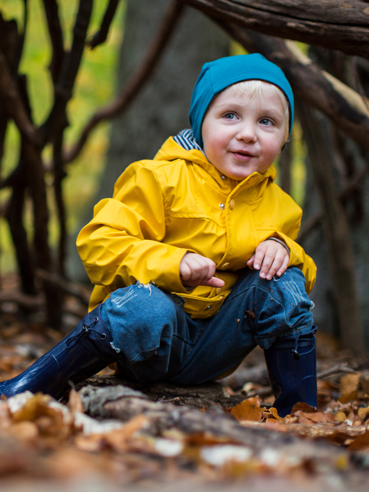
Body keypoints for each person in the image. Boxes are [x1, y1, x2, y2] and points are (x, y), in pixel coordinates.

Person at [0, 54, 317, 416]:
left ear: (285, 138)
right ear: (201, 122)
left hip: (218, 345)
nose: (247, 133)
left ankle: (301, 412)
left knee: (283, 279)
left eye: (267, 122)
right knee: (145, 305)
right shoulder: (158, 178)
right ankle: (28, 389)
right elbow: (99, 242)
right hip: (149, 342)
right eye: (230, 116)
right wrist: (174, 262)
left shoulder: (281, 206)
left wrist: (284, 249)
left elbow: (297, 285)